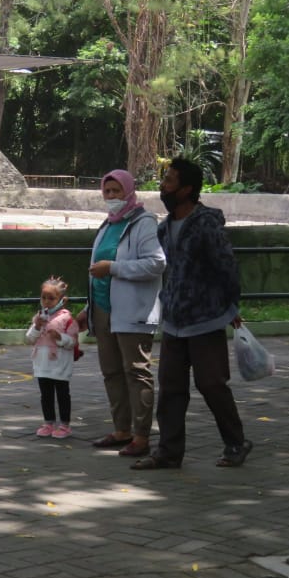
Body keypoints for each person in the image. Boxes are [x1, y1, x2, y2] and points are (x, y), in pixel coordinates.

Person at [132, 157, 253, 470]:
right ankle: (169, 453)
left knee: (212, 383)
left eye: (169, 181)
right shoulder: (164, 228)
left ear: (186, 189)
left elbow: (227, 267)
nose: (163, 186)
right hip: (174, 319)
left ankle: (236, 442)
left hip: (205, 318)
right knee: (171, 388)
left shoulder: (206, 225)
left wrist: (231, 306)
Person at [76, 170, 165, 458]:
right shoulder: (107, 225)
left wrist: (113, 268)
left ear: (129, 192)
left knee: (136, 371)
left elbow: (156, 263)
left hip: (132, 312)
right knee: (111, 372)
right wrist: (89, 308)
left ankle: (141, 436)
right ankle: (121, 429)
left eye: (117, 191)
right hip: (103, 310)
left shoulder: (144, 223)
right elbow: (98, 274)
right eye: (107, 192)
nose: (112, 197)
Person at [26, 275, 80, 439]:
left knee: (63, 394)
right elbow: (30, 338)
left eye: (51, 298)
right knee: (46, 394)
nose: (47, 301)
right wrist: (36, 326)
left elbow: (73, 342)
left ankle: (65, 424)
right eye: (44, 297)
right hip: (42, 364)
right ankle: (48, 422)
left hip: (60, 364)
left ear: (62, 300)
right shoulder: (40, 317)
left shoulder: (67, 318)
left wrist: (60, 337)